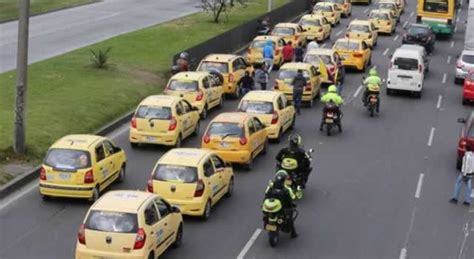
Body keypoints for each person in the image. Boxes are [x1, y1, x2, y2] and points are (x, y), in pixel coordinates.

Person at [265, 173, 298, 238]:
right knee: (290, 218)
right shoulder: (287, 189)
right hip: (283, 208)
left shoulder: (270, 187)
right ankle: (293, 234)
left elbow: (266, 194)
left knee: (266, 215)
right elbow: (292, 197)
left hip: (271, 208)